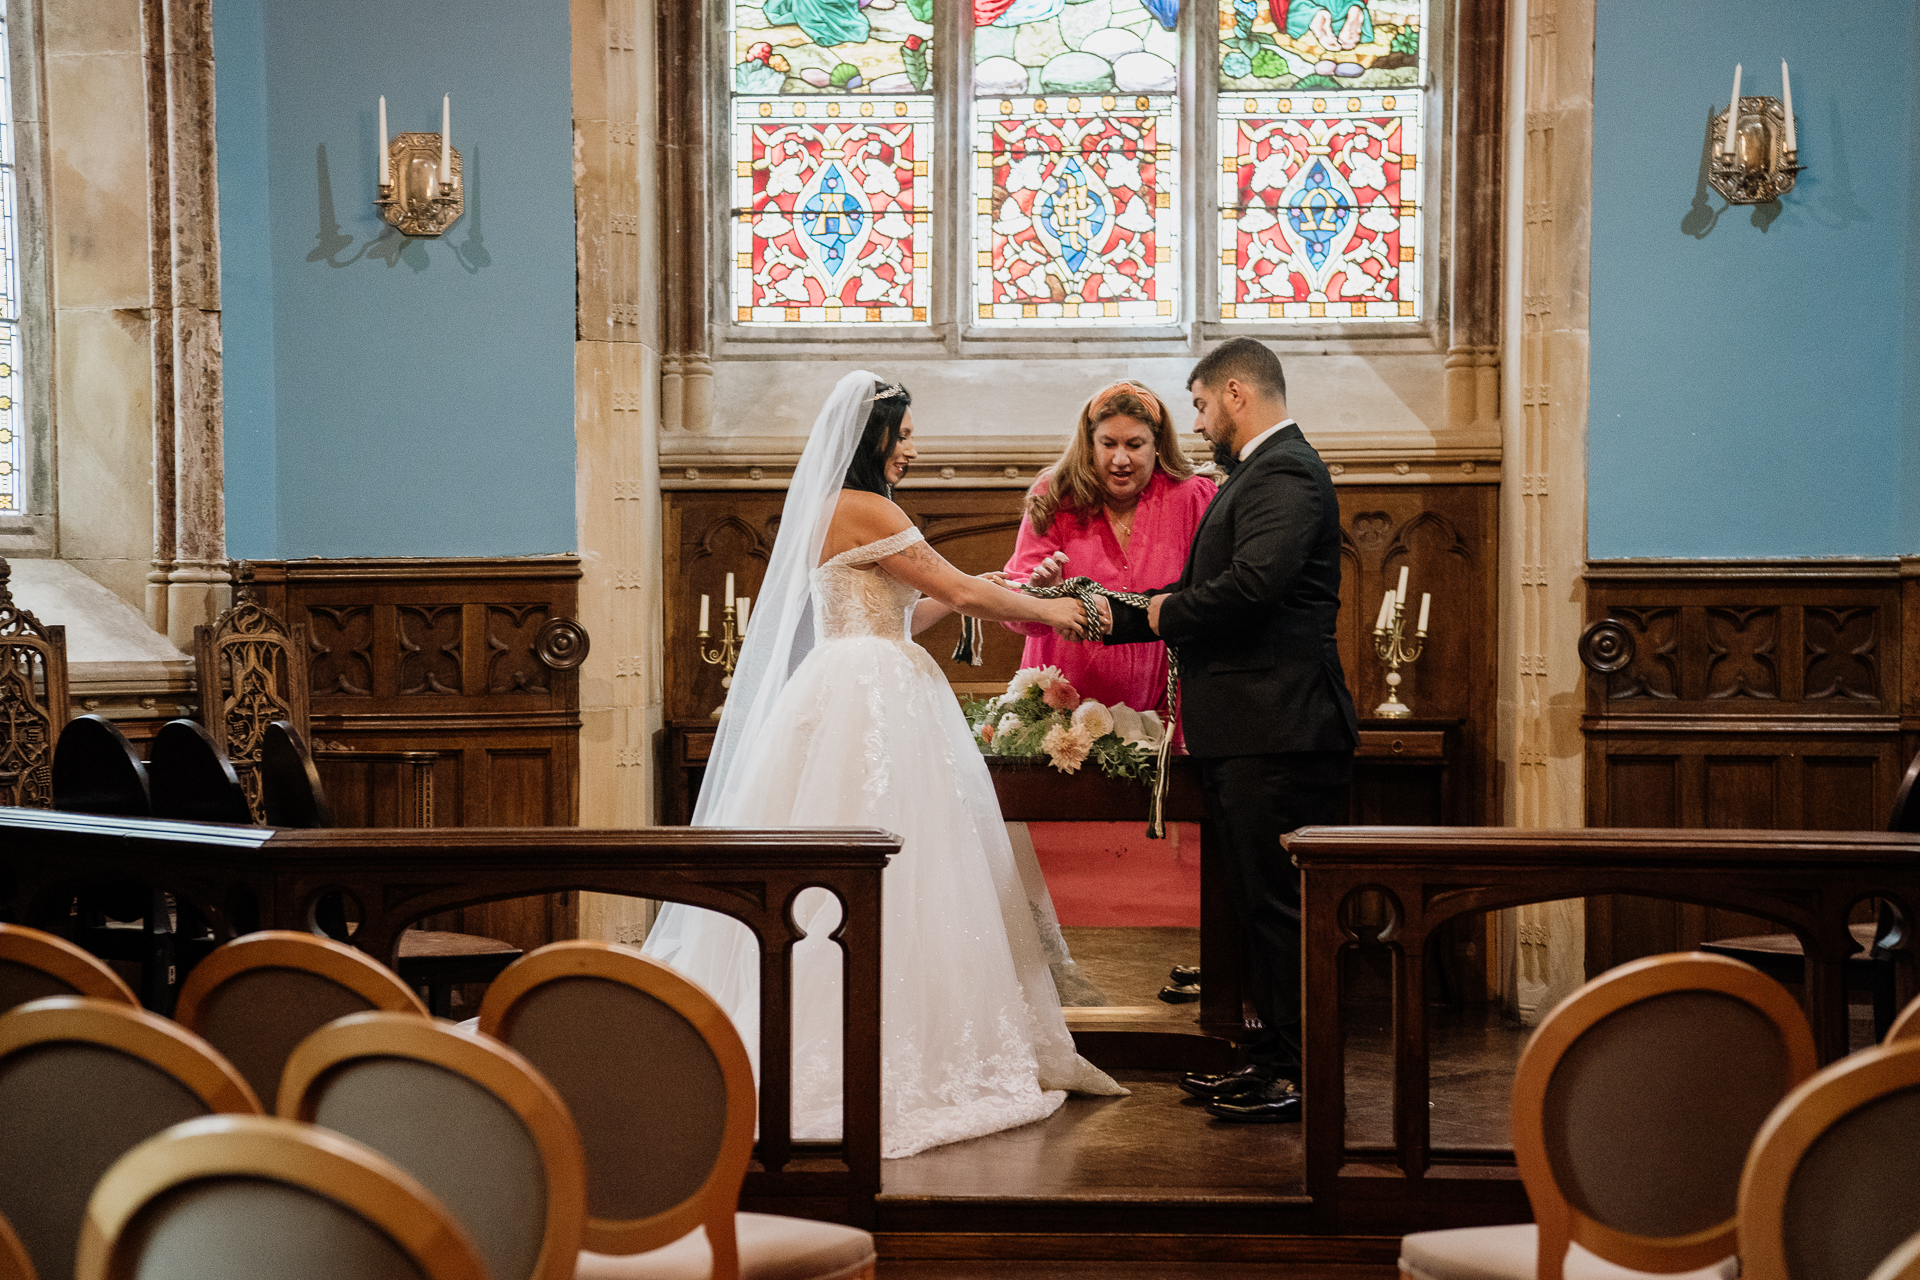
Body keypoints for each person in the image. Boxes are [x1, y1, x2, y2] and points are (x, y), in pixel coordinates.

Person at [643, 371, 1125, 1160]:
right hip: (873, 694)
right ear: (870, 437)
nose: (910, 447)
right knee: (904, 861)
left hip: (859, 674)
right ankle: (883, 1048)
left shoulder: (839, 511)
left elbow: (919, 607)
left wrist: (1004, 584)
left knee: (898, 861)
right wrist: (1050, 610)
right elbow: (960, 597)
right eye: (900, 435)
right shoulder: (866, 507)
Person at [1095, 337, 1358, 1123]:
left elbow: (1250, 589)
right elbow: (1210, 587)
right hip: (1254, 727)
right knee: (1257, 908)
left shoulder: (1284, 472)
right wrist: (1121, 614)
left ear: (1237, 393)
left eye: (1203, 405)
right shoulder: (1260, 475)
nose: (1200, 422)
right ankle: (1271, 1058)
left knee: (1281, 911)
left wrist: (1151, 611)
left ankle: (1299, 1073)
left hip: (1280, 726)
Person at [1001, 380, 1215, 728]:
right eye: (1108, 444)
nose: (1120, 459)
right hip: (1062, 707)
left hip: (1163, 701)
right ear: (1089, 443)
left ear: (1158, 444)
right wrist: (1042, 597)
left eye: (1134, 445)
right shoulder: (1056, 494)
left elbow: (1210, 594)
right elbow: (1012, 607)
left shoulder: (1192, 497)